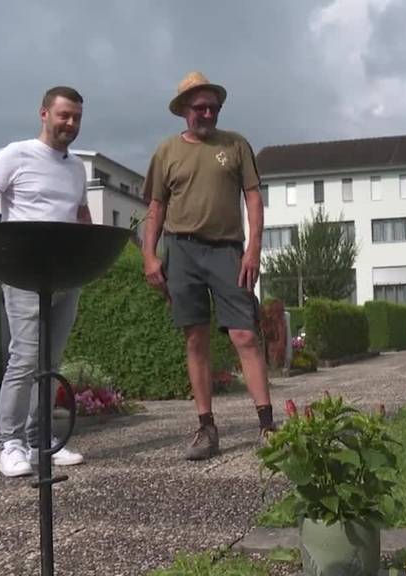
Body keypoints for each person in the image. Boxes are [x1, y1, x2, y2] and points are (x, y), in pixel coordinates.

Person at [141, 71, 274, 461]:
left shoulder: (236, 146)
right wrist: (149, 255)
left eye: (213, 107)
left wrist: (253, 250)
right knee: (195, 338)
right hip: (182, 252)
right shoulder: (166, 152)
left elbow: (253, 199)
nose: (208, 113)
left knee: (245, 336)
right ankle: (206, 428)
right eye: (200, 107)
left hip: (228, 252)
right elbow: (156, 208)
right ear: (184, 110)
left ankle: (267, 426)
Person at [0, 86, 92, 477]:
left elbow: (81, 216)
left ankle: (42, 442)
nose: (70, 124)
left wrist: (89, 253)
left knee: (51, 360)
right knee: (24, 357)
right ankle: (11, 444)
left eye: (76, 118)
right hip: (23, 275)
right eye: (63, 115)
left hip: (65, 275)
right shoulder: (17, 154)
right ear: (44, 114)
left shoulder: (76, 168)